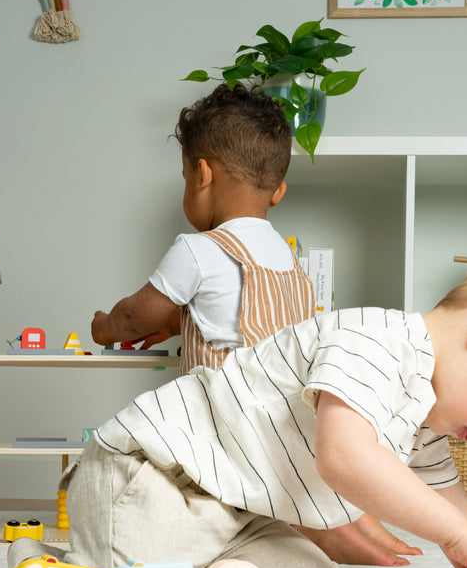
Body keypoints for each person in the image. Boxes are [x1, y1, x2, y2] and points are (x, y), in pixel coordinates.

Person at [13, 255, 467, 568]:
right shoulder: (374, 342)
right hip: (156, 476)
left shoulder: (426, 421)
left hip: (236, 510)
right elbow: (345, 459)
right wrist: (462, 540)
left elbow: (454, 508)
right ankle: (48, 562)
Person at [90, 83, 314, 375]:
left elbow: (133, 317)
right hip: (284, 414)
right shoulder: (287, 256)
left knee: (130, 421)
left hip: (223, 412)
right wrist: (172, 325)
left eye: (186, 177)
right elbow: (230, 311)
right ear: (277, 192)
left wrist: (104, 328)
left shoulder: (199, 249)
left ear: (202, 177)